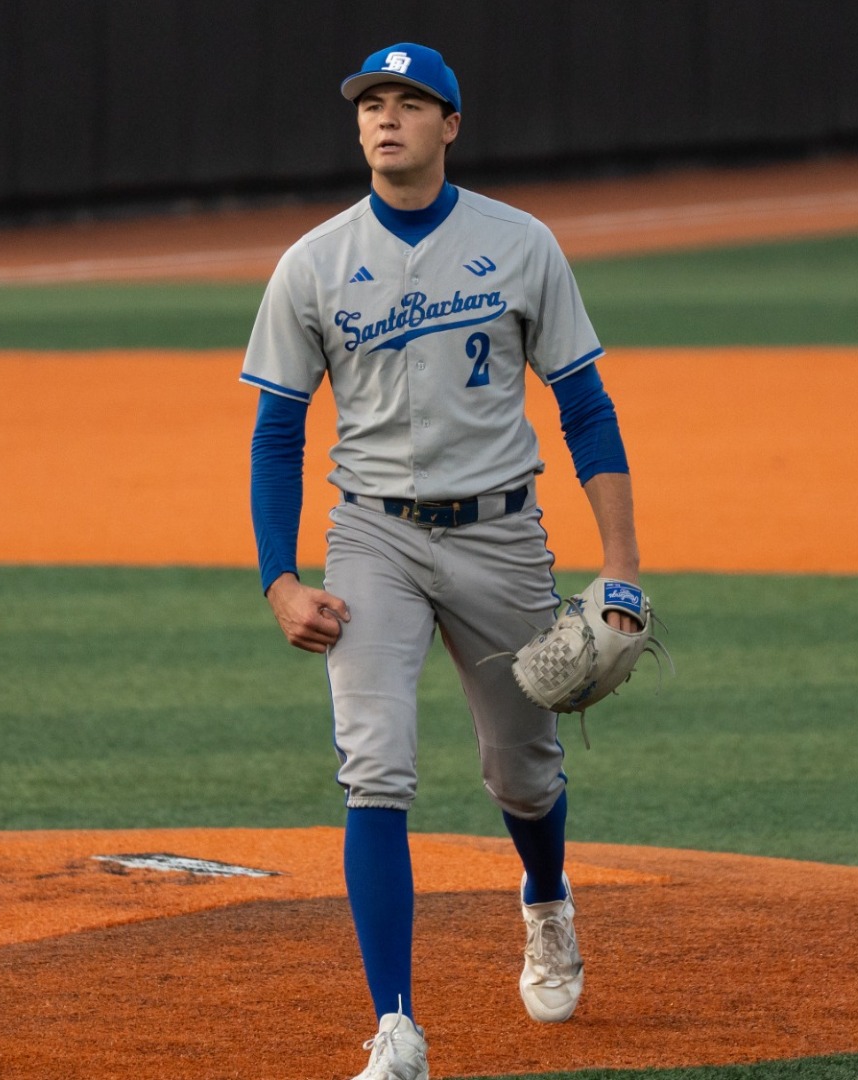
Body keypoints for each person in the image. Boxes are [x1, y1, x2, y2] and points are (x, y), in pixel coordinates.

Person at [242, 41, 642, 1080]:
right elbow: (276, 431)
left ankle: (546, 900)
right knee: (375, 769)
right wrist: (279, 577)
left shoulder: (518, 244)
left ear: (450, 126)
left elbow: (585, 409)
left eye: (411, 103)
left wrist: (622, 566)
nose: (387, 118)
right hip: (370, 533)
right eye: (372, 103)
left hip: (501, 534)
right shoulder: (313, 262)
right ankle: (396, 1029)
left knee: (522, 770)